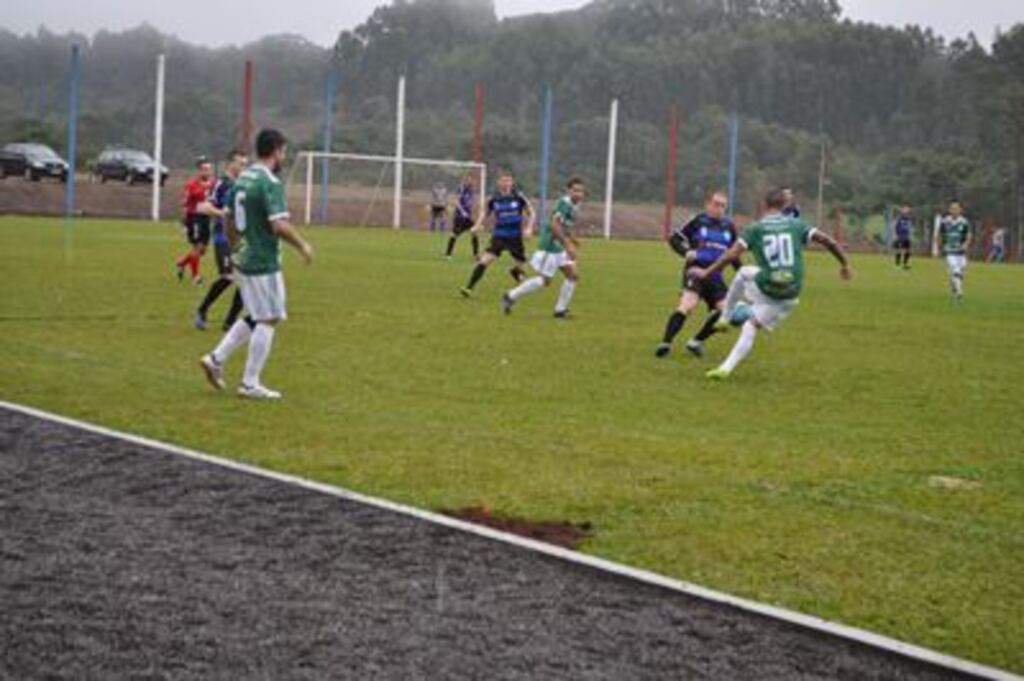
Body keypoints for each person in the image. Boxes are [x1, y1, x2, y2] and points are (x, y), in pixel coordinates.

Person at [690, 187, 852, 380]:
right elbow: (828, 241)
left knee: (743, 272)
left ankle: (726, 317)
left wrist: (706, 272)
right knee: (750, 326)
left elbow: (731, 255)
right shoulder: (798, 224)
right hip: (791, 293)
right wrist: (845, 264)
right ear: (784, 206)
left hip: (768, 286)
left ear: (764, 206)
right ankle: (725, 368)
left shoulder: (756, 228)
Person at [200, 129, 314, 400]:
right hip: (263, 261)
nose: (284, 156)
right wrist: (302, 245)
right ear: (275, 151)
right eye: (284, 151)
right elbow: (278, 225)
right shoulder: (268, 182)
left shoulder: (244, 177)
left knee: (253, 314)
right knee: (269, 317)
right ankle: (250, 383)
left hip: (243, 259)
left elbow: (227, 217)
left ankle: (216, 359)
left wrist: (234, 246)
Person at [655, 190, 739, 359]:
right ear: (707, 204)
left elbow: (733, 254)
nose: (720, 209)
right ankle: (666, 343)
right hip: (695, 272)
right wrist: (686, 252)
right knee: (688, 306)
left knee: (726, 312)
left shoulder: (729, 226)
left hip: (715, 277)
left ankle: (695, 342)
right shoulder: (698, 221)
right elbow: (674, 239)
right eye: (716, 204)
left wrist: (743, 273)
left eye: (723, 206)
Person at [501, 177, 585, 319]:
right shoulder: (564, 203)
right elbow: (554, 225)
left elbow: (565, 225)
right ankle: (510, 295)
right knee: (544, 281)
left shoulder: (573, 205)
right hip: (550, 247)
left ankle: (560, 310)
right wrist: (567, 245)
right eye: (575, 190)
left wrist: (572, 238)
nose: (579, 194)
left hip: (559, 247)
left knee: (573, 276)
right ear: (568, 190)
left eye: (581, 191)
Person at [194, 149, 247, 331]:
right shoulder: (221, 184)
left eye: (245, 164)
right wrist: (221, 213)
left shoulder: (242, 185)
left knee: (246, 281)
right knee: (228, 277)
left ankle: (230, 322)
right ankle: (202, 310)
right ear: (230, 164)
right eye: (240, 163)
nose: (243, 167)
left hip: (241, 239)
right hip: (222, 237)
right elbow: (203, 206)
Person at [460, 171, 534, 297]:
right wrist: (477, 225)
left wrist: (529, 228)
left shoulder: (519, 197)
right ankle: (468, 288)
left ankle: (515, 271)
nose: (505, 183)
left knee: (521, 263)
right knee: (485, 260)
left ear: (512, 183)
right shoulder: (494, 199)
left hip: (515, 237)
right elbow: (484, 213)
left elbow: (531, 213)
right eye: (503, 181)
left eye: (508, 180)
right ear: (499, 183)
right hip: (499, 236)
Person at [175, 157, 216, 285]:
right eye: (204, 169)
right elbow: (184, 204)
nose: (207, 172)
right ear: (199, 171)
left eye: (209, 169)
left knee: (203, 250)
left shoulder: (214, 183)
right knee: (197, 246)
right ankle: (196, 276)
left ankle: (182, 263)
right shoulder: (192, 185)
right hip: (194, 218)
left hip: (206, 218)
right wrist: (184, 223)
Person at [932, 200, 973, 301]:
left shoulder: (964, 222)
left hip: (961, 251)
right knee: (955, 269)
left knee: (961, 271)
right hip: (949, 250)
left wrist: (966, 244)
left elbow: (969, 235)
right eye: (952, 208)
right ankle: (959, 292)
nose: (954, 210)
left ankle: (954, 287)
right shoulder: (945, 221)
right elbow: (938, 235)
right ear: (949, 210)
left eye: (956, 208)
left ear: (960, 210)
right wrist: (937, 247)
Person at [445, 172, 480, 259]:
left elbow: (471, 202)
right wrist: (462, 211)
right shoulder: (462, 188)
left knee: (474, 232)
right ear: (466, 179)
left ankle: (476, 255)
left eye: (473, 180)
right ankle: (448, 254)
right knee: (454, 234)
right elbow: (456, 201)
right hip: (459, 216)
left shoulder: (471, 190)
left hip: (467, 217)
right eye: (469, 179)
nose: (471, 181)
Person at [893, 204, 914, 270]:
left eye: (907, 209)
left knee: (908, 251)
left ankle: (905, 264)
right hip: (900, 237)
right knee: (899, 250)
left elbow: (909, 228)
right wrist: (898, 235)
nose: (906, 210)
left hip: (906, 237)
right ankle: (897, 264)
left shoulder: (908, 219)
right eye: (905, 209)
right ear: (902, 210)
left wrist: (909, 234)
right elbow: (896, 227)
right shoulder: (900, 218)